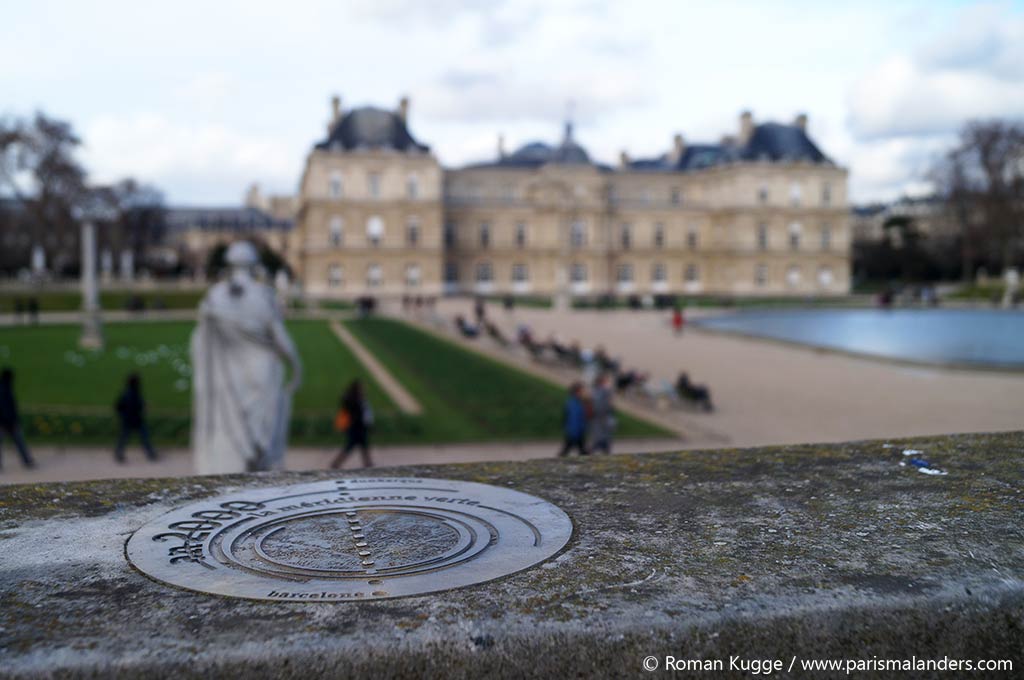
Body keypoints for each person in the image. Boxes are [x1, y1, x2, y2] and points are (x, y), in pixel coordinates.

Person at [191, 241, 302, 474]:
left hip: (227, 373)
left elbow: (200, 340)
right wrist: (296, 366)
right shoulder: (263, 293)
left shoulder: (216, 295)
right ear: (254, 264)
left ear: (229, 264)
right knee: (262, 434)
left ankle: (235, 467)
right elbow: (280, 338)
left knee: (232, 427)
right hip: (262, 369)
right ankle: (259, 466)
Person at [114, 373, 158, 463]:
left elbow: (118, 407)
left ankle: (119, 454)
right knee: (143, 438)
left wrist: (122, 415)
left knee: (124, 438)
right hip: (136, 420)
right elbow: (134, 406)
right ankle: (151, 454)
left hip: (129, 420)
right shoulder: (134, 393)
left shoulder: (127, 393)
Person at [331, 380, 373, 469]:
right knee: (353, 446)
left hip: (358, 427)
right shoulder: (355, 399)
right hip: (356, 427)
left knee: (361, 446)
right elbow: (360, 413)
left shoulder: (356, 398)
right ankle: (336, 463)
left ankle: (368, 463)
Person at [0, 368, 35, 470]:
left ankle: (27, 461)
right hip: (7, 421)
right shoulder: (5, 388)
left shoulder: (4, 387)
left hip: (4, 421)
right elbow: (6, 407)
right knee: (19, 442)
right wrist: (10, 421)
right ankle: (27, 461)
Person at [557, 382, 589, 457]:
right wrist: (575, 432)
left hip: (577, 431)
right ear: (577, 392)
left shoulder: (578, 401)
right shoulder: (573, 403)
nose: (584, 393)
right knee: (571, 450)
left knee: (580, 450)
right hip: (575, 431)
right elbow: (573, 418)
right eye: (582, 391)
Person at [589, 374, 616, 455]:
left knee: (603, 442)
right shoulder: (602, 392)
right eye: (606, 381)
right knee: (601, 441)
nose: (608, 383)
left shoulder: (598, 392)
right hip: (602, 421)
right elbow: (600, 407)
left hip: (602, 421)